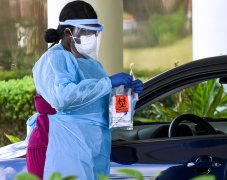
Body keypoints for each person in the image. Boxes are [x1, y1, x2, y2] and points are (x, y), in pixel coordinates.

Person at [25, 1, 143, 179]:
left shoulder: (93, 65)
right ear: (67, 32)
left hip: (96, 148)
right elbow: (62, 98)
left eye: (94, 32)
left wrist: (128, 95)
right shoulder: (54, 59)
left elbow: (115, 116)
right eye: (87, 31)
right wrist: (107, 83)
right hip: (66, 146)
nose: (92, 36)